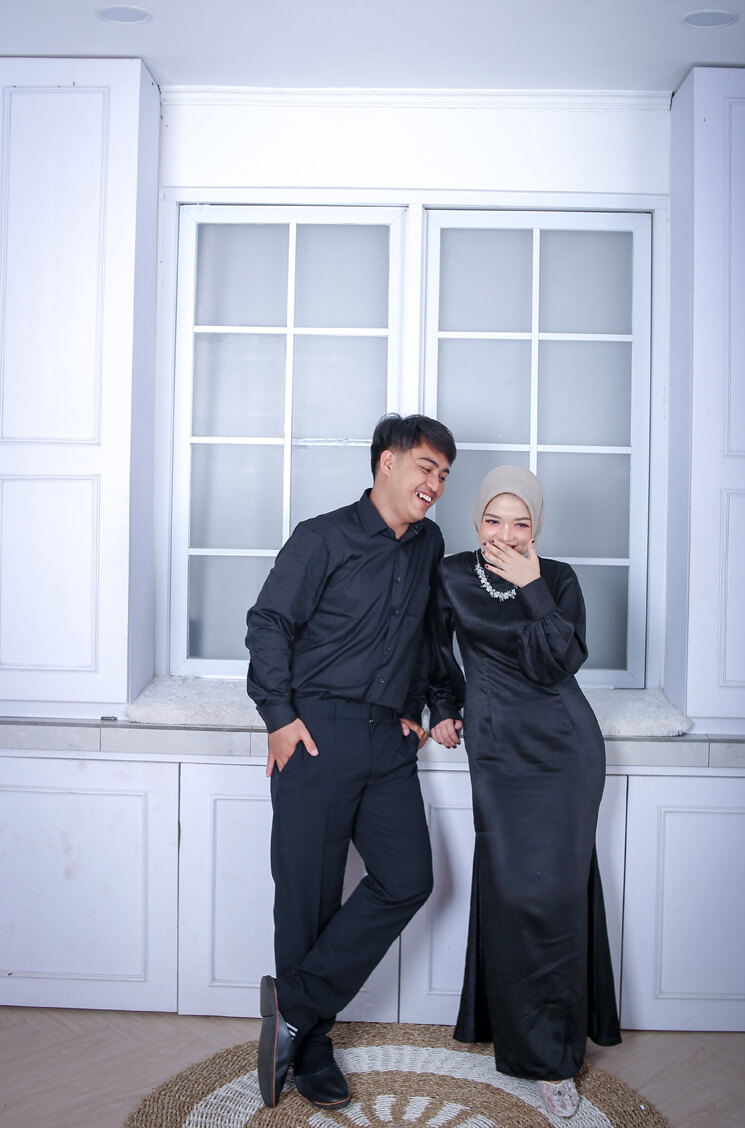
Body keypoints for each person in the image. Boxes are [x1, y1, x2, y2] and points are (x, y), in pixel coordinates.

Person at [245, 413, 456, 1111]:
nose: (436, 484)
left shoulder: (428, 545)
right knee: (307, 897)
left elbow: (429, 634)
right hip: (314, 733)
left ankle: (295, 1008)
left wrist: (428, 705)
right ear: (387, 462)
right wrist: (279, 716)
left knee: (408, 878)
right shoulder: (322, 537)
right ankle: (312, 1050)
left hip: (386, 740)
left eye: (444, 475)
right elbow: (268, 622)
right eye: (426, 467)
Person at [429, 464, 621, 1120]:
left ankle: (555, 1059)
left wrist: (532, 586)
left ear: (536, 527)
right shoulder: (452, 575)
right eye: (493, 520)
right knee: (511, 892)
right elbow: (433, 652)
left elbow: (557, 662)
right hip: (496, 751)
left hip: (566, 751)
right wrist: (442, 707)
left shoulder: (557, 579)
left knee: (557, 899)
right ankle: (506, 1027)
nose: (505, 535)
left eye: (521, 523)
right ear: (476, 520)